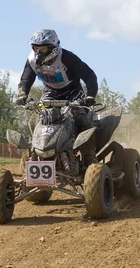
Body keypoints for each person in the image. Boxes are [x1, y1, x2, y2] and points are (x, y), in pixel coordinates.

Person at [15, 29, 98, 169]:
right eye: (36, 48)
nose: (39, 52)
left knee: (80, 118)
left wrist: (90, 96)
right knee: (36, 119)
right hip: (51, 92)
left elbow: (90, 76)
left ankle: (89, 155)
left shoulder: (67, 58)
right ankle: (35, 153)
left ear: (53, 48)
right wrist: (22, 95)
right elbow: (25, 80)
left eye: (43, 49)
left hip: (73, 92)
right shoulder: (32, 60)